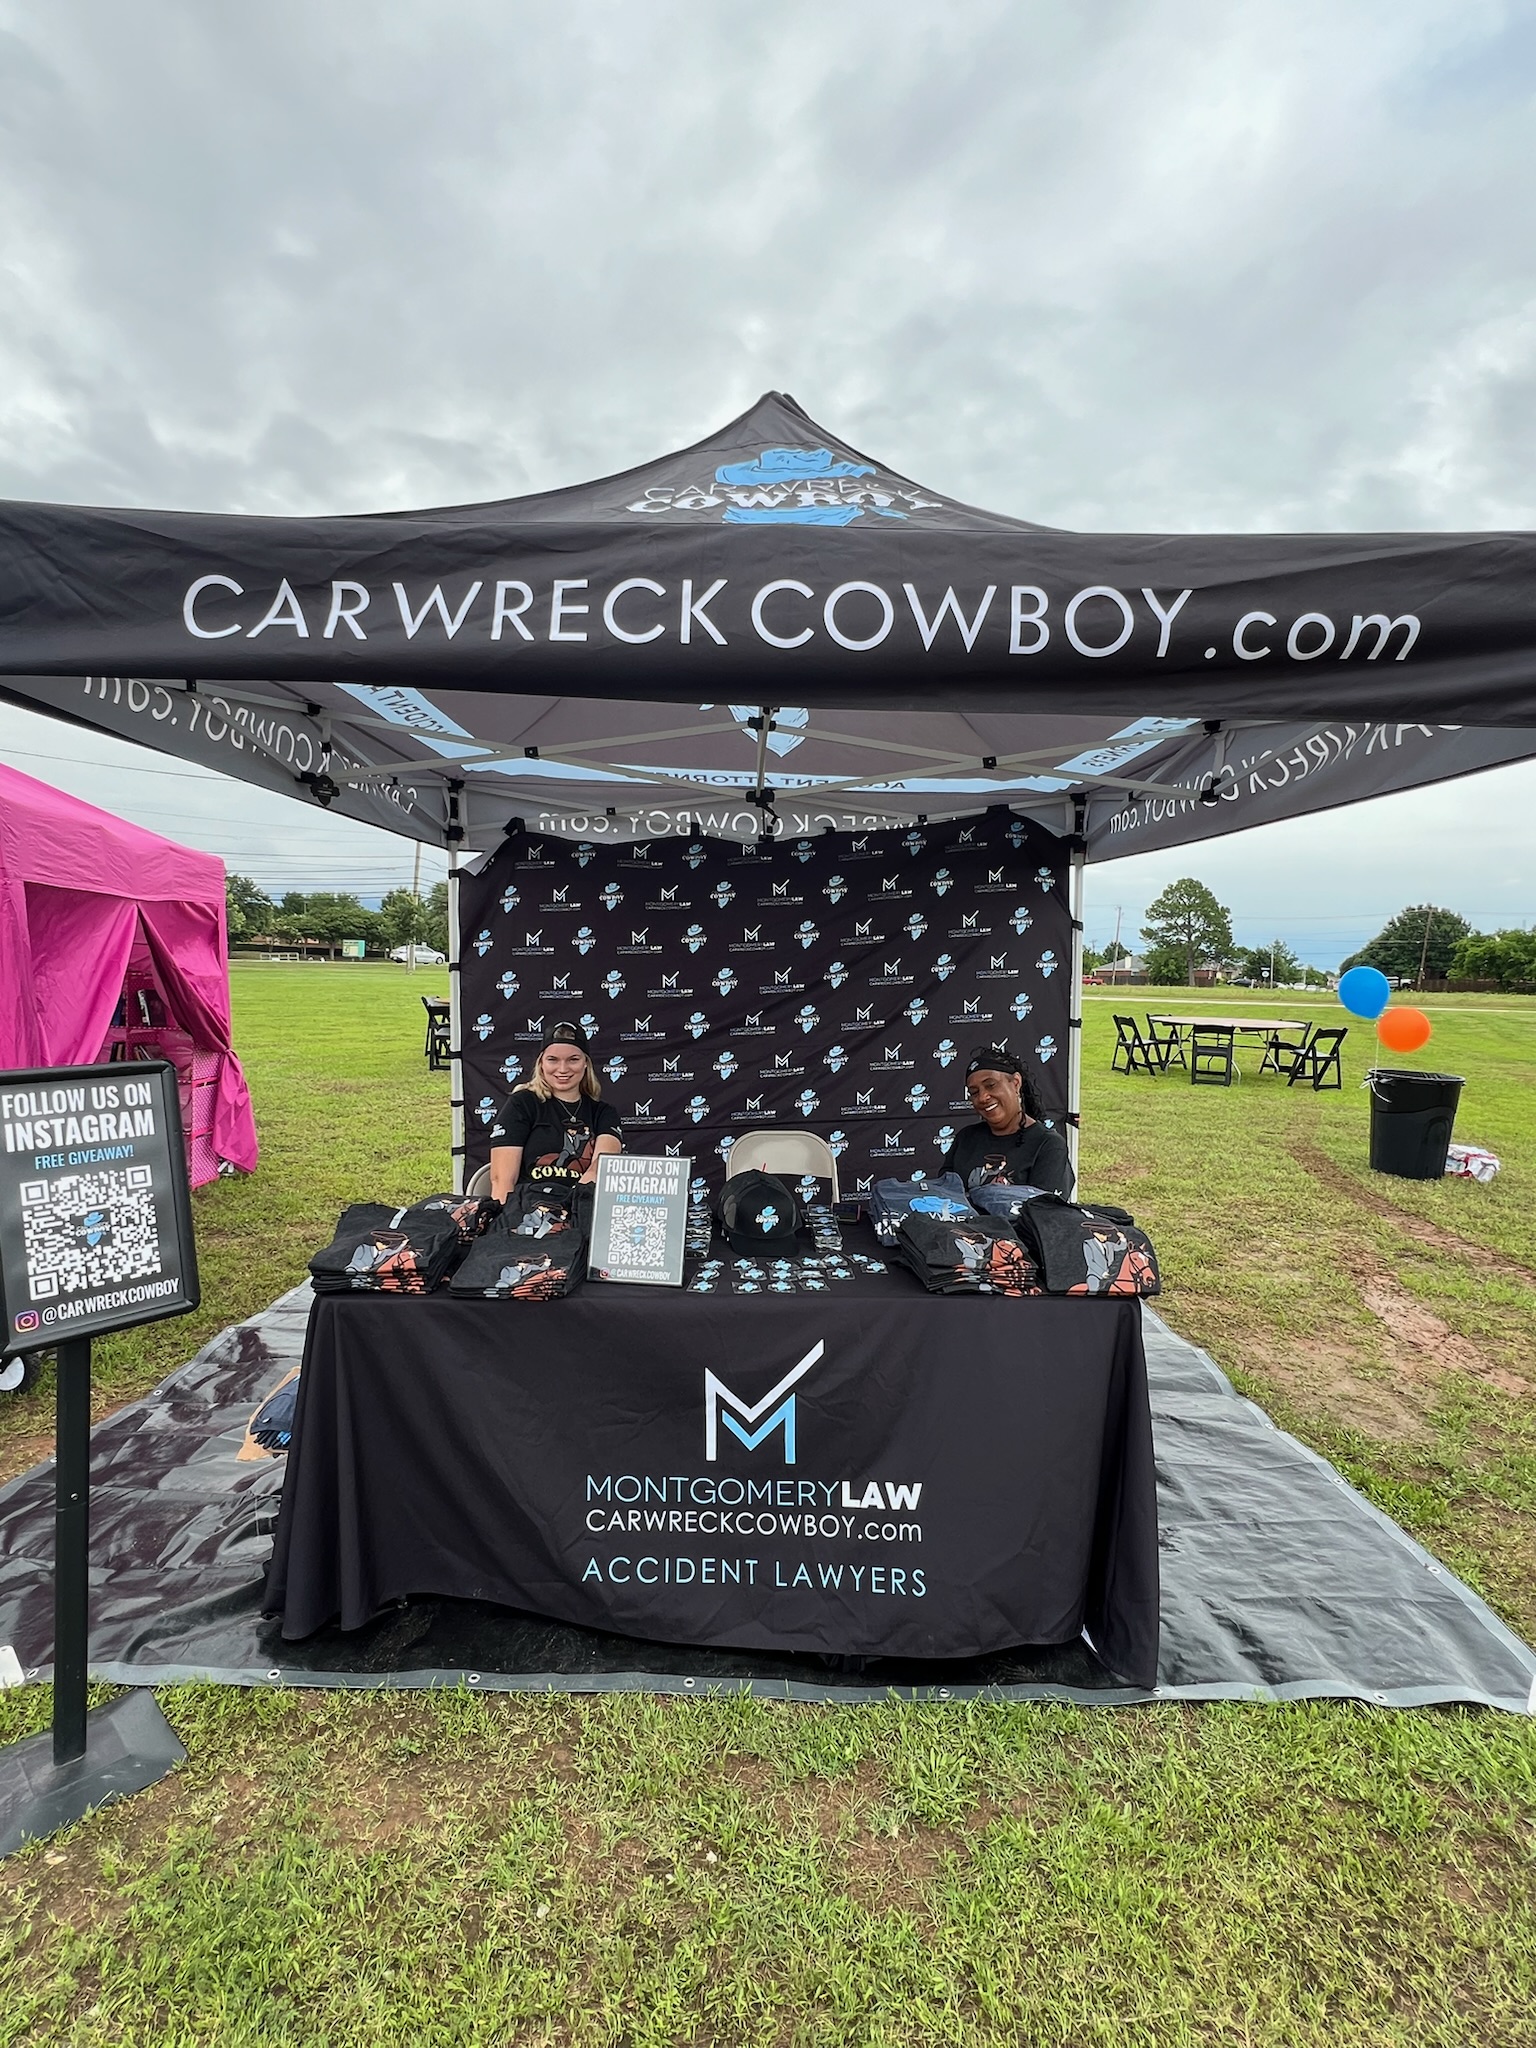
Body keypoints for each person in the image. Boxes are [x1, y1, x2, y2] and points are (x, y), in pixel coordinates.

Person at [488, 1023, 623, 1198]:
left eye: (573, 1059)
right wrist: (504, 1222)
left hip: (579, 1208)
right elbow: (502, 1180)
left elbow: (600, 1169)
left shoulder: (604, 1112)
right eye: (553, 1059)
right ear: (541, 1064)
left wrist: (569, 1209)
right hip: (527, 1210)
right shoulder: (522, 1103)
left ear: (586, 1064)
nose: (563, 1069)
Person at [943, 1044, 1074, 1198]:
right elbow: (944, 1195)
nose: (983, 1097)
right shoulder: (965, 1138)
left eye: (991, 1085)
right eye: (974, 1092)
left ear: (1016, 1083)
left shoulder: (1048, 1145)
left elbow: (1047, 1213)